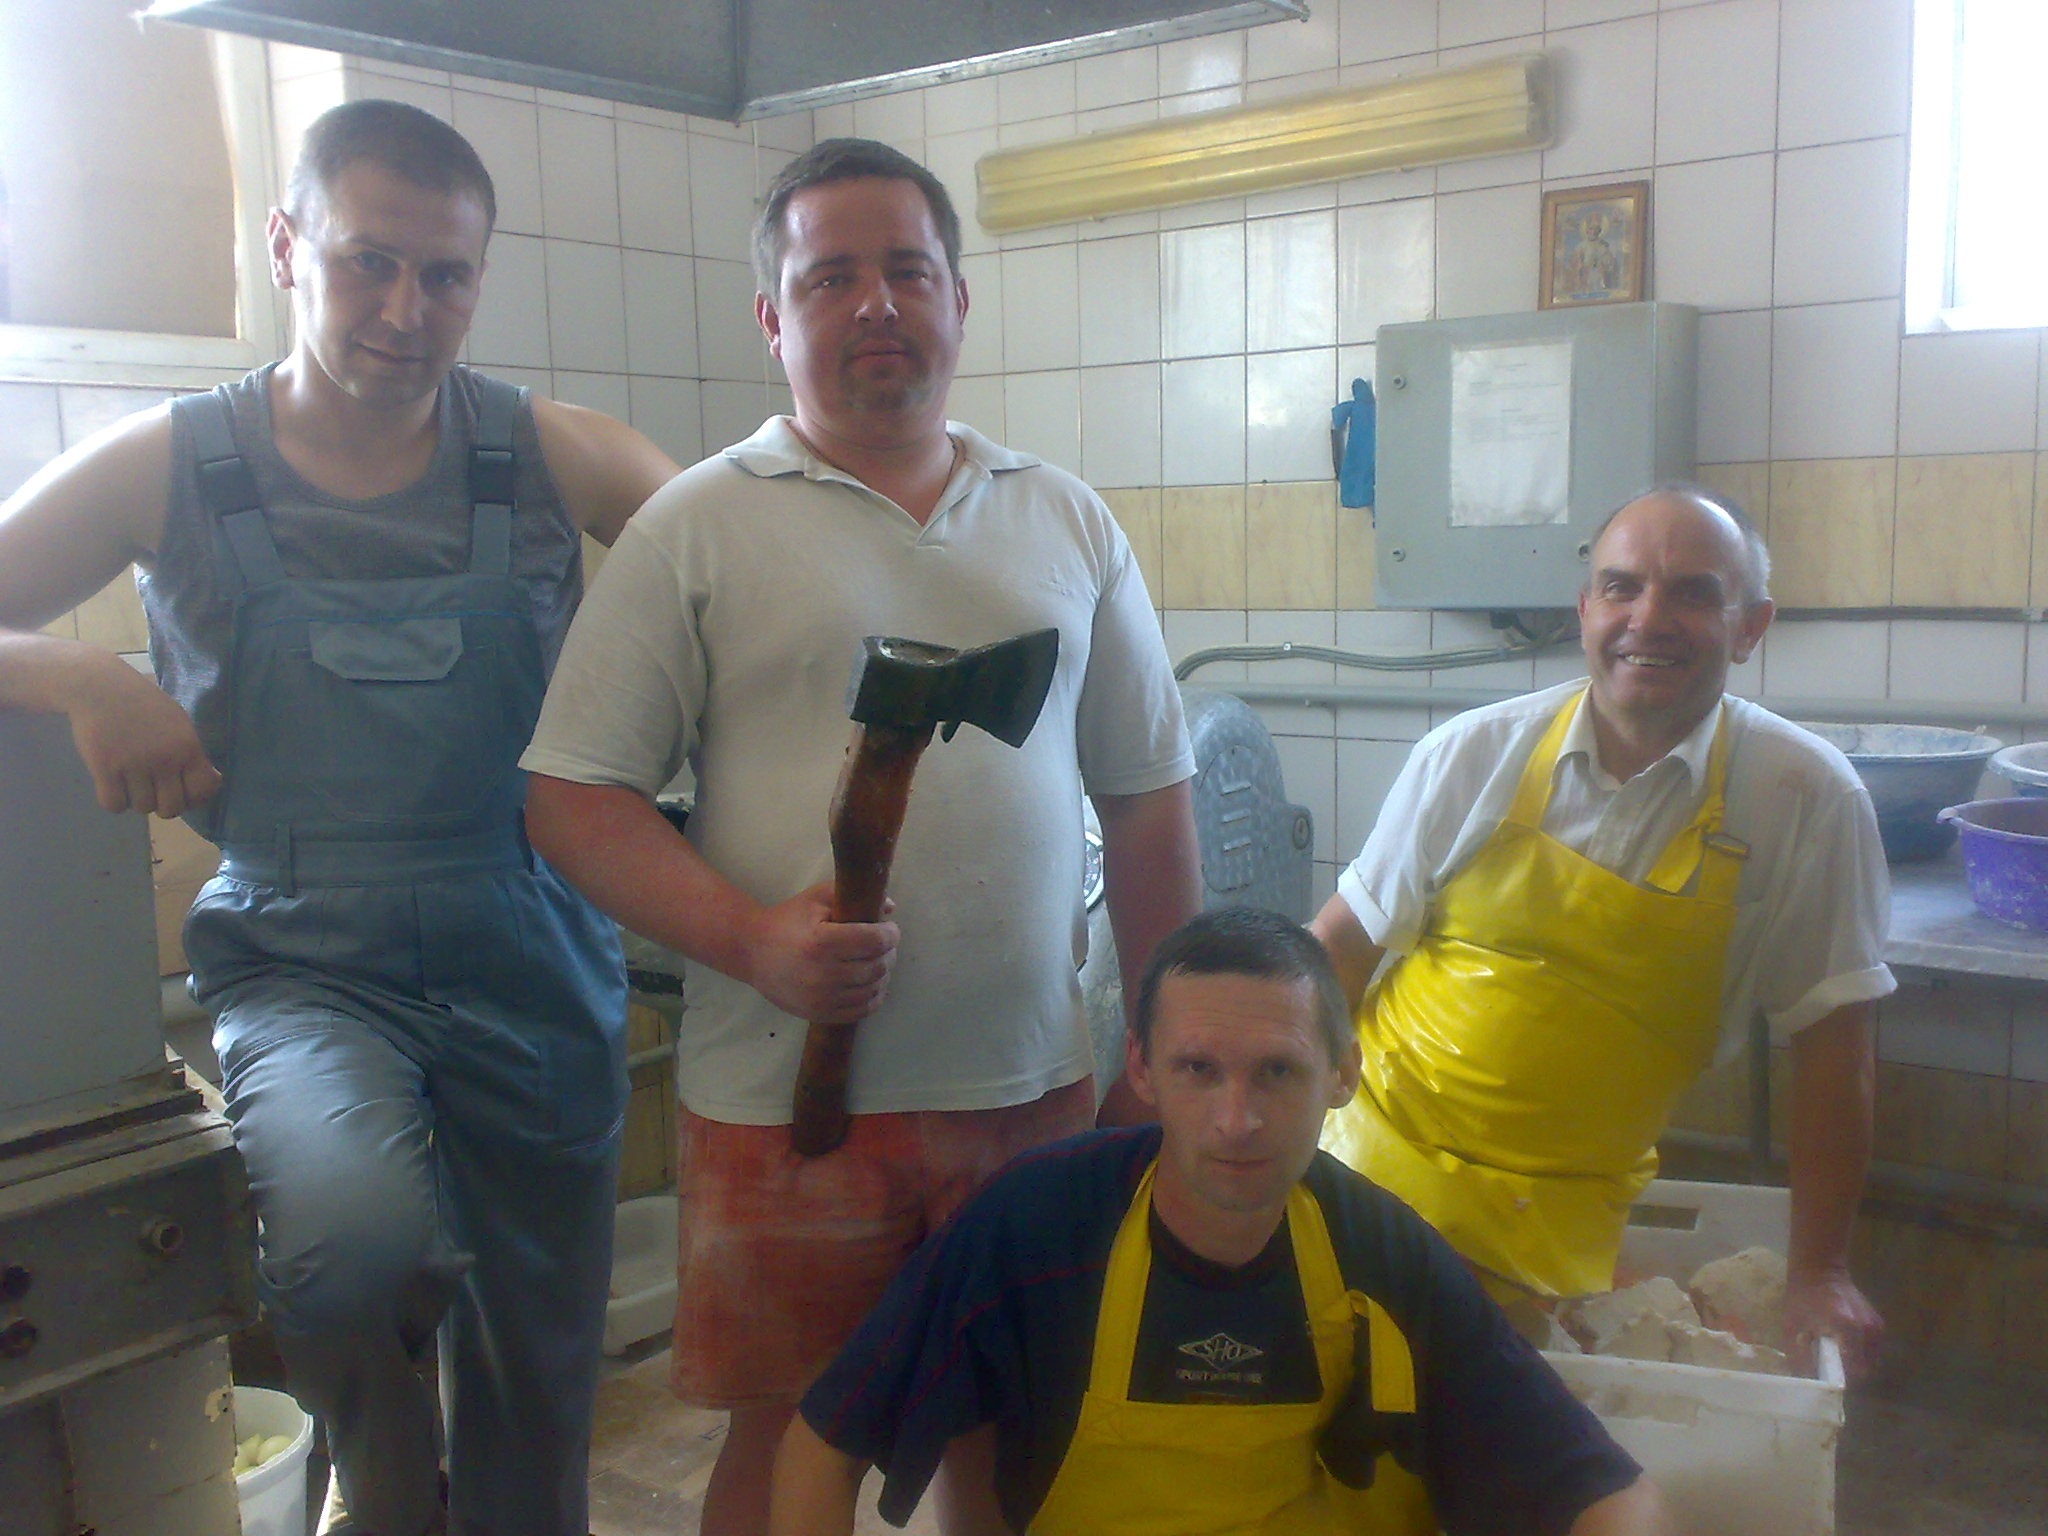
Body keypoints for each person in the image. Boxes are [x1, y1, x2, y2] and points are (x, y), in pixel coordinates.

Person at [0, 100, 679, 1536]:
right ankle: (381, 1501)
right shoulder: (171, 463)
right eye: (369, 260)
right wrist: (77, 674)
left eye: (445, 275)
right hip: (305, 960)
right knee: (347, 1259)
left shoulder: (551, 453)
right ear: (286, 246)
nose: (404, 311)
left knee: (538, 1376)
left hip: (531, 953)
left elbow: (746, 566)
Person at [521, 137, 1204, 1535]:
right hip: (788, 1107)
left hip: (1030, 1089)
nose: (877, 302)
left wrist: (1160, 1045)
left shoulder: (1063, 517)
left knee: (1014, 1425)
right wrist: (753, 942)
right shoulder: (695, 526)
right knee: (788, 1437)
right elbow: (571, 798)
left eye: (908, 270)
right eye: (830, 277)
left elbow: (1146, 797)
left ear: (959, 297)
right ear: (772, 320)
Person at [770, 907, 1672, 1536]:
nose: (1236, 1121)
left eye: (1277, 1072)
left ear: (1342, 1075)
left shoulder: (1385, 1254)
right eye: (1199, 1070)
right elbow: (822, 1447)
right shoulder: (1035, 1228)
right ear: (1142, 1069)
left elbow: (1607, 1495)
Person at [1315, 485, 1891, 1379]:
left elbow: (1835, 1049)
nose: (1647, 619)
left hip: (1563, 1227)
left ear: (1751, 627)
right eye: (1622, 587)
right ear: (1585, 611)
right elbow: (1334, 956)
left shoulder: (1804, 799)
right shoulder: (1473, 754)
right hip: (1367, 1177)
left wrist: (1821, 1271)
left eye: (1694, 593)